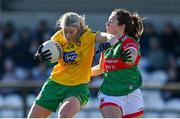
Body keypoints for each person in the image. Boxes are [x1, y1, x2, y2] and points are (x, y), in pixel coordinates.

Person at [28, 12, 118, 118]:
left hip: (77, 88)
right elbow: (49, 52)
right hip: (55, 84)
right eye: (65, 31)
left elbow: (107, 36)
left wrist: (110, 40)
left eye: (71, 32)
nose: (67, 35)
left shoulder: (88, 36)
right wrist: (41, 55)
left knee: (64, 115)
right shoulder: (58, 37)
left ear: (79, 28)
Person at [91, 9, 144, 118]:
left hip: (131, 92)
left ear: (122, 26)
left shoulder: (129, 42)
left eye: (111, 21)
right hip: (109, 94)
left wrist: (128, 57)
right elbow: (101, 69)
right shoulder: (107, 45)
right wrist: (81, 72)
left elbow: (132, 55)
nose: (106, 23)